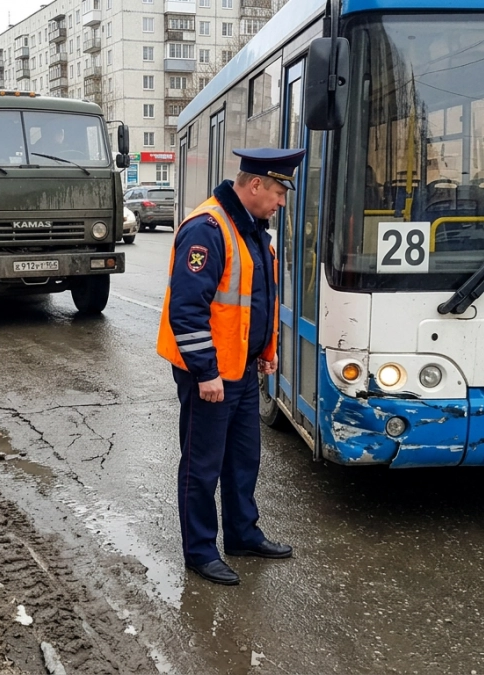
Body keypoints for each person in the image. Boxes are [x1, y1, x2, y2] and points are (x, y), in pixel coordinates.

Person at [156, 147, 305, 586]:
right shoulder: (208, 229)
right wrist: (205, 373)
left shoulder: (253, 228)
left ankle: (242, 534)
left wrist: (267, 347)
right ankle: (200, 551)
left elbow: (256, 300)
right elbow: (187, 310)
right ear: (254, 185)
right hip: (212, 374)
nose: (281, 202)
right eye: (278, 192)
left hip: (241, 368)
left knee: (243, 459)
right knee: (202, 466)